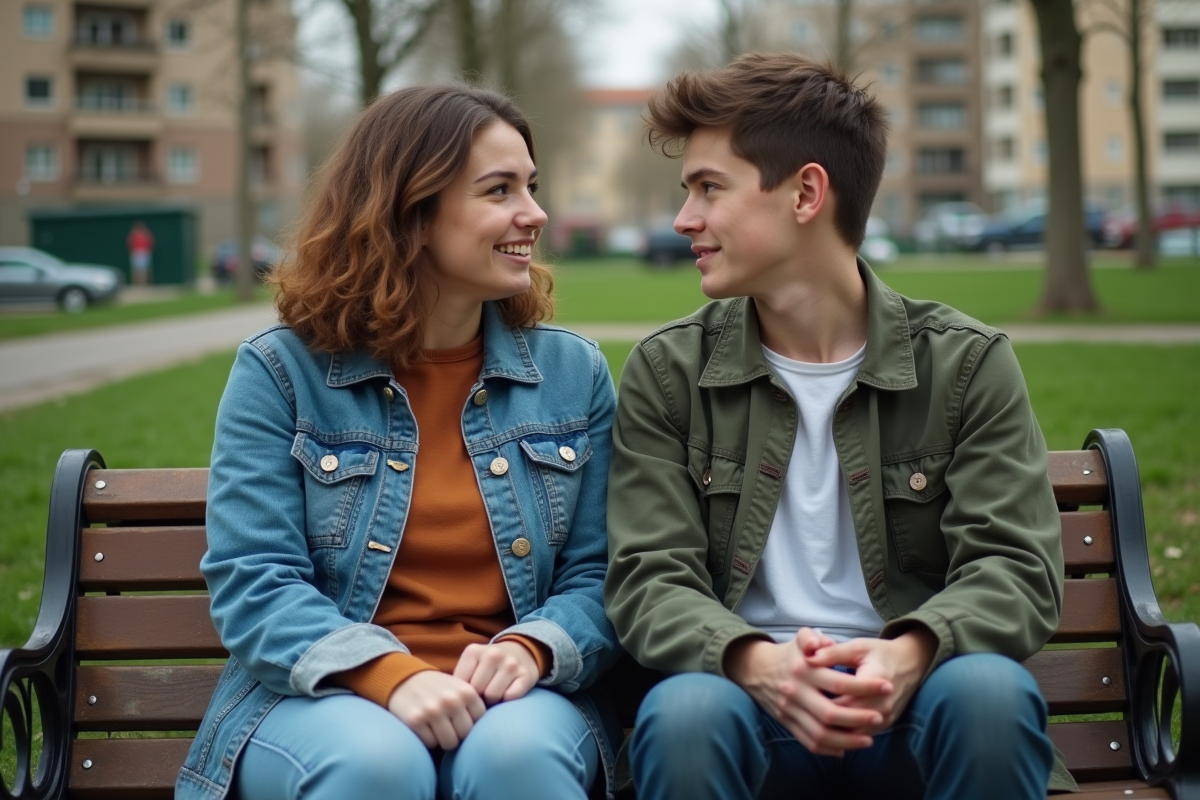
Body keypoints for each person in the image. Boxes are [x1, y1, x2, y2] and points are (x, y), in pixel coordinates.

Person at [604, 53, 1075, 800]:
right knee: (684, 712)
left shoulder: (965, 365)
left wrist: (911, 652)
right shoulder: (670, 372)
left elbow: (1014, 568)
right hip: (746, 707)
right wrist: (759, 663)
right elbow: (648, 578)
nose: (683, 218)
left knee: (988, 695)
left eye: (709, 188)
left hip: (914, 708)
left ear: (806, 193)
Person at [176, 85, 622, 800]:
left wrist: (536, 646)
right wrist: (390, 675)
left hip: (517, 702)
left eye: (531, 187)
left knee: (518, 764)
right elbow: (255, 580)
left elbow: (602, 572)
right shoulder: (281, 374)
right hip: (326, 698)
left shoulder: (573, 375)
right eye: (498, 190)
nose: (534, 214)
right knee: (377, 767)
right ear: (411, 211)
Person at [127, 221, 154, 286]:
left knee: (145, 270)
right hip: (136, 252)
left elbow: (151, 243)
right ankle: (137, 284)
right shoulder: (133, 234)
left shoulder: (146, 234)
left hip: (144, 252)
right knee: (136, 270)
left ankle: (144, 284)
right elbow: (129, 243)